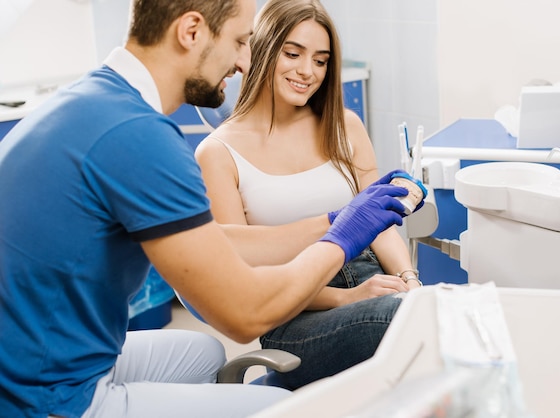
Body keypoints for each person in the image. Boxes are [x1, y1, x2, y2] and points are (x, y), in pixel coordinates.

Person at [0, 0, 416, 417]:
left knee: (203, 354)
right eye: (239, 41)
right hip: (43, 392)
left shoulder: (95, 99)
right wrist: (341, 234)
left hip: (40, 347)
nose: (242, 62)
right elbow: (244, 313)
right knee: (278, 407)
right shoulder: (140, 138)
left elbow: (222, 241)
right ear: (192, 31)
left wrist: (337, 222)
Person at [194, 0, 423, 390]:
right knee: (405, 323)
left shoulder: (344, 126)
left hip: (374, 279)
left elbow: (377, 223)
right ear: (262, 49)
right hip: (296, 311)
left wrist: (410, 279)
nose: (307, 71)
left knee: (440, 313)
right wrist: (344, 299)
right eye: (293, 53)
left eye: (321, 60)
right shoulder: (218, 153)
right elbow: (240, 271)